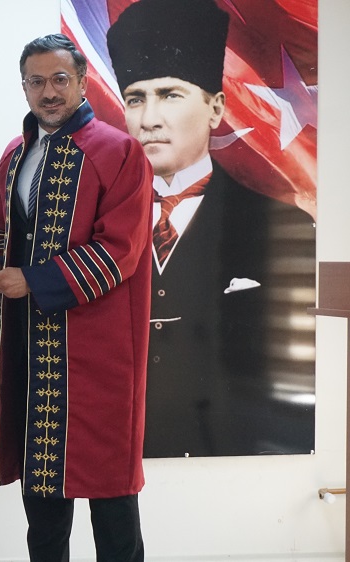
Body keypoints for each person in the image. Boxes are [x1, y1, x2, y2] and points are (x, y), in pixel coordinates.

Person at [0, 34, 153, 561]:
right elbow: (3, 228)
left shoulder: (119, 152)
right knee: (43, 505)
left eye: (59, 79)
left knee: (112, 502)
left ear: (82, 82)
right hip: (34, 350)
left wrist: (33, 281)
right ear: (23, 86)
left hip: (100, 355)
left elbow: (121, 250)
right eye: (36, 81)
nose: (48, 92)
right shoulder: (15, 154)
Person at [106, 0, 315, 457]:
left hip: (235, 455)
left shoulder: (276, 225)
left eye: (170, 94)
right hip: (121, 455)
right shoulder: (97, 226)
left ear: (216, 109)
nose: (149, 119)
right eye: (136, 98)